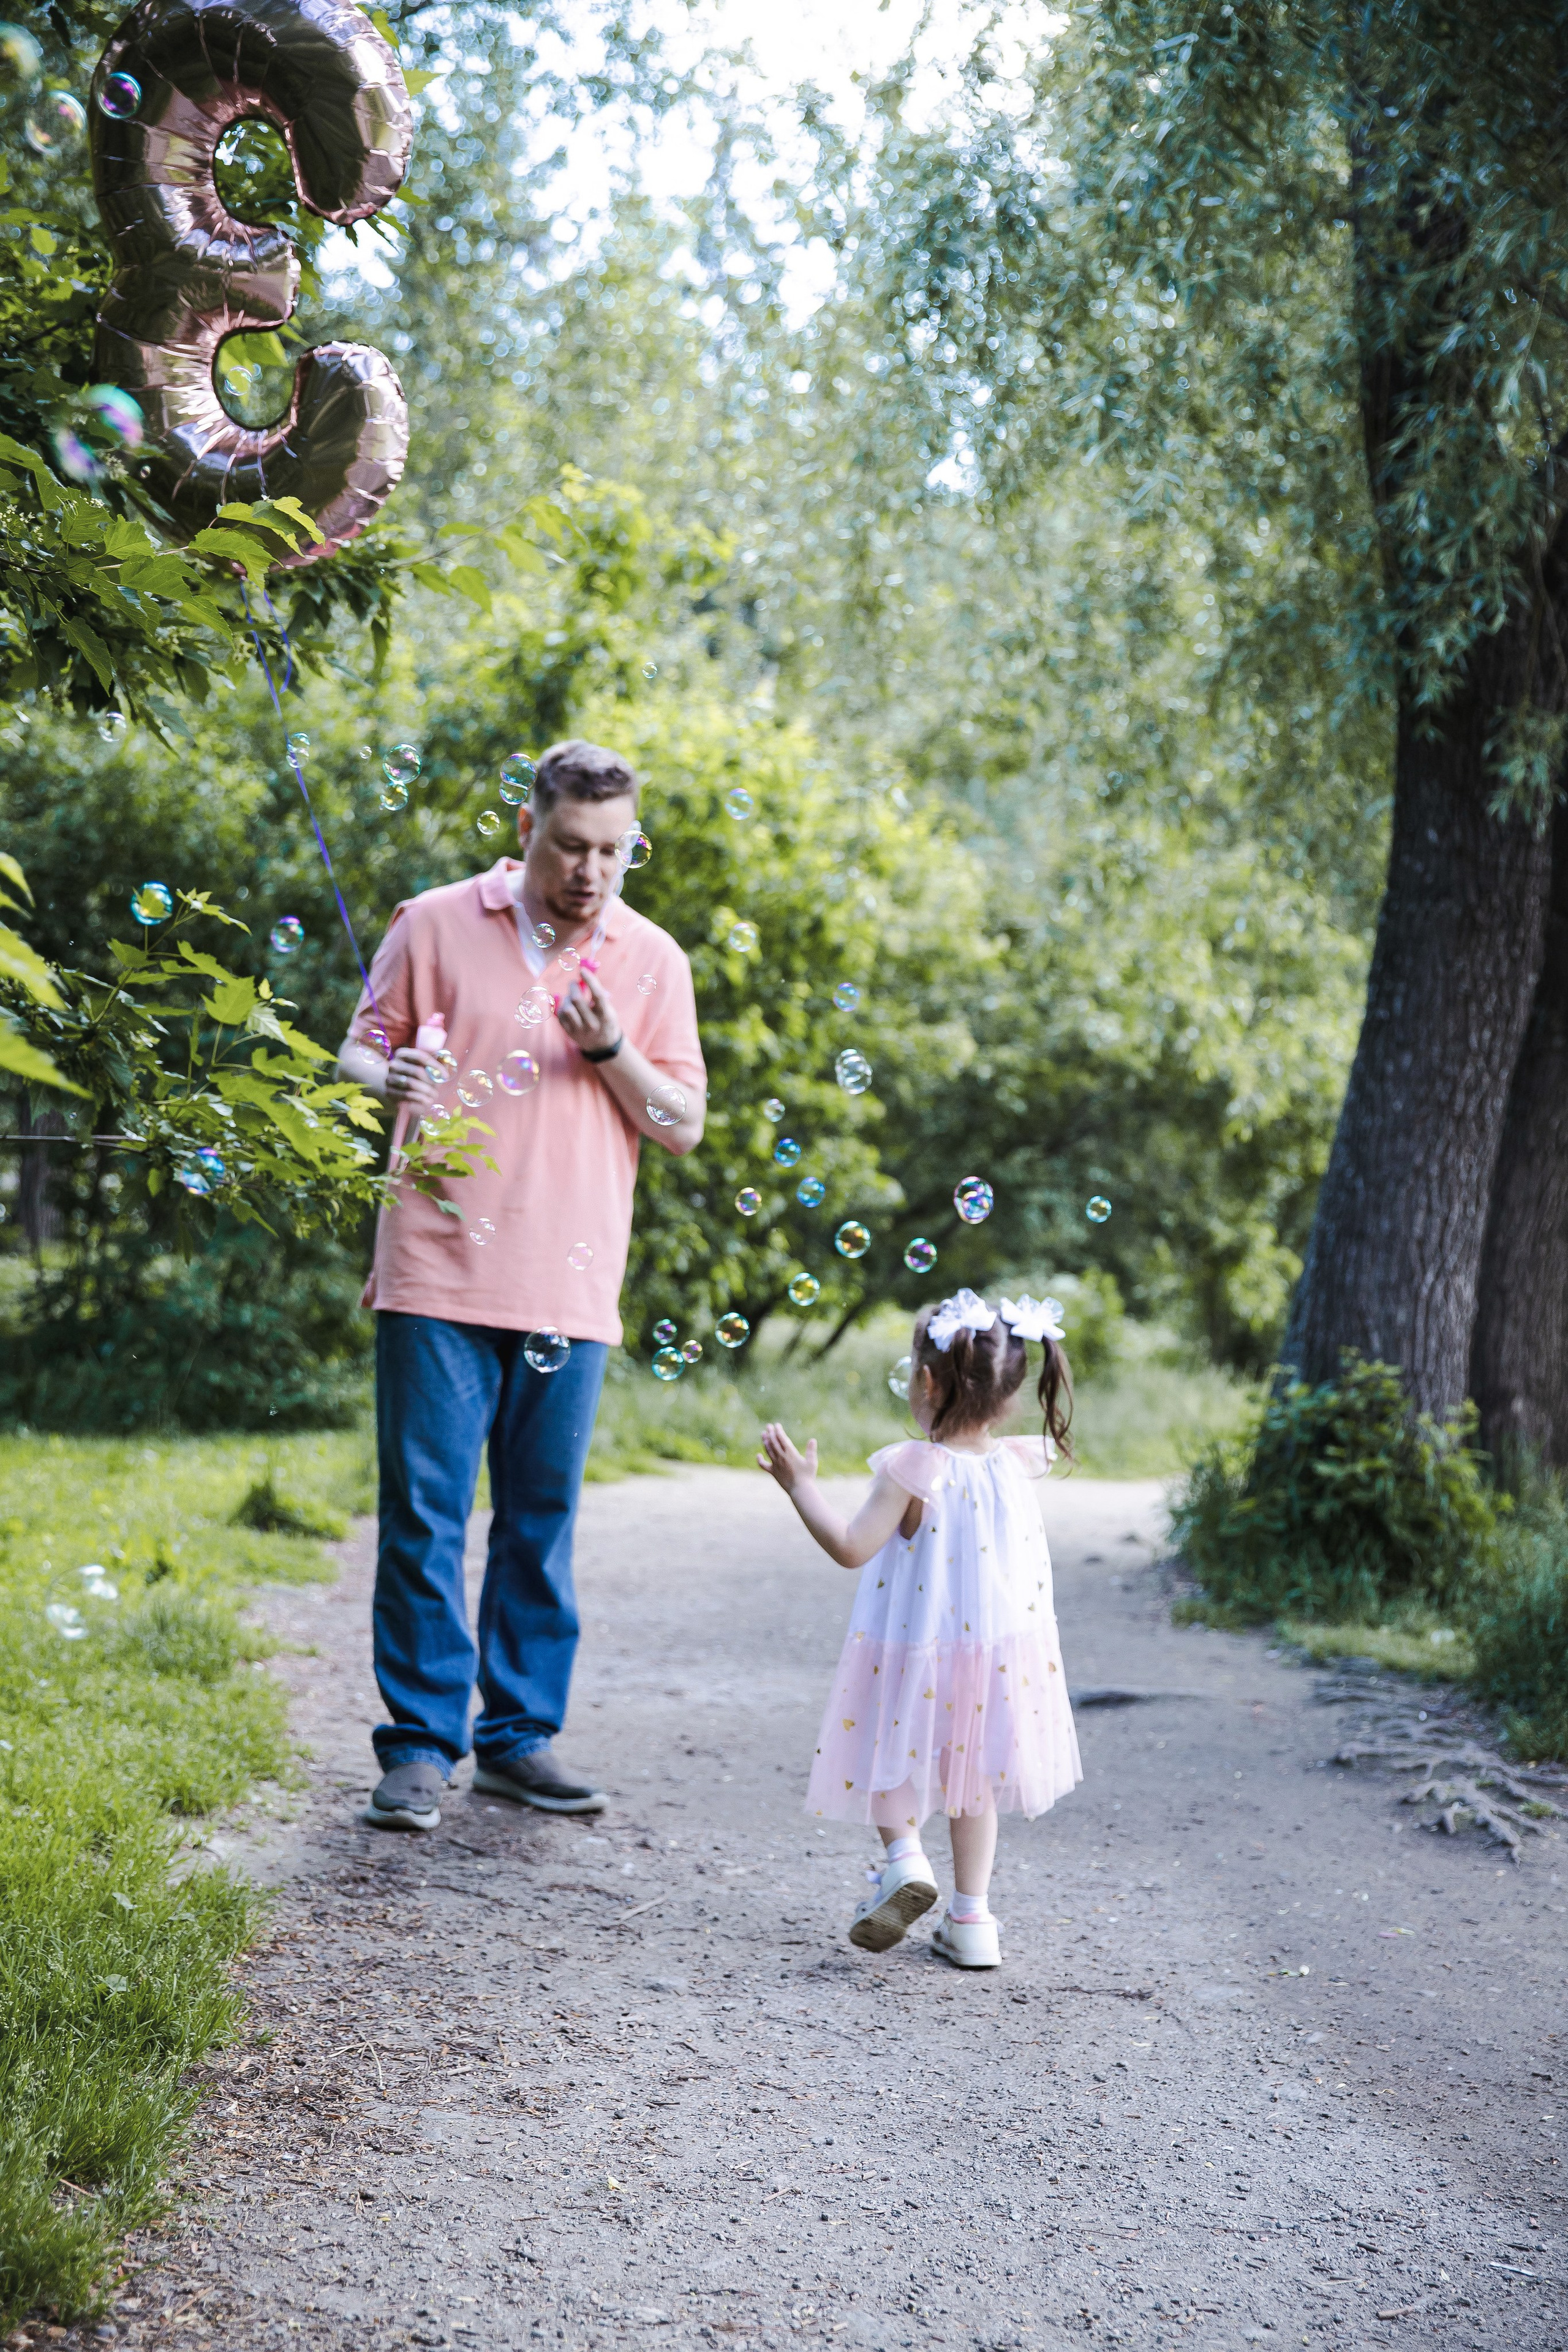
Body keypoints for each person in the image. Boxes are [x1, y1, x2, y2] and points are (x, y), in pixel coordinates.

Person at [336, 738, 706, 1833]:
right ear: (527, 832)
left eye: (614, 850)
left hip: (571, 1276)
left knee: (539, 1523)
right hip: (436, 1265)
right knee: (427, 1519)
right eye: (572, 846)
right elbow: (360, 1052)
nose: (592, 871)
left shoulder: (652, 960)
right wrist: (384, 1073)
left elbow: (681, 1124)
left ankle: (517, 1741)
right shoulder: (434, 921)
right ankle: (417, 1748)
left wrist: (611, 1055)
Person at [756, 1288, 1080, 1968]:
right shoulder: (1020, 1462)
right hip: (995, 1661)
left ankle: (904, 1861)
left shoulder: (913, 1468)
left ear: (926, 1382)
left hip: (912, 1655)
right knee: (976, 1783)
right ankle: (972, 1922)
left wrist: (799, 1487)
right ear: (1011, 1392)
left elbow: (850, 1546)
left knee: (889, 1757)